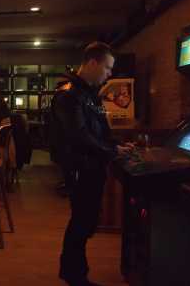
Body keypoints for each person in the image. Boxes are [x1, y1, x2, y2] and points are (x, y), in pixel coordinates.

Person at [51, 42, 133, 286]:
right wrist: (110, 150)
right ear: (93, 63)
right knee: (81, 222)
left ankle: (73, 273)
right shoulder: (68, 94)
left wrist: (116, 145)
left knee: (84, 222)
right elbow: (79, 135)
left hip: (92, 165)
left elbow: (99, 129)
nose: (109, 74)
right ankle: (75, 276)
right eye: (107, 68)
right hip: (81, 167)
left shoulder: (87, 93)